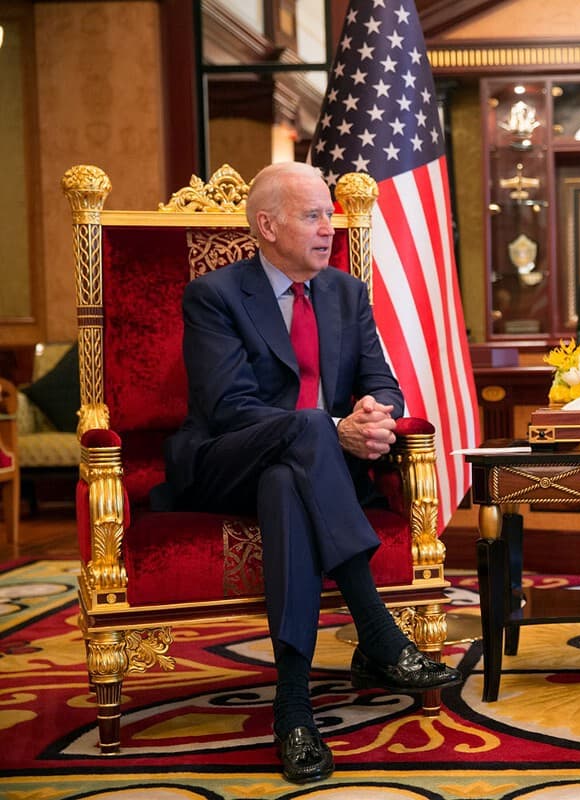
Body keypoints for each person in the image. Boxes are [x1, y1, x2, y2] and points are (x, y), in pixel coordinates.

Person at [162, 162, 462, 784]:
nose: (330, 227)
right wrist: (332, 428)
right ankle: (377, 629)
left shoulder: (346, 294)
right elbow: (228, 408)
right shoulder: (215, 296)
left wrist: (378, 414)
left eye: (330, 213)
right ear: (267, 226)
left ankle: (293, 709)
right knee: (303, 428)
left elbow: (381, 383)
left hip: (301, 478)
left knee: (286, 484)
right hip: (224, 463)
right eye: (313, 215)